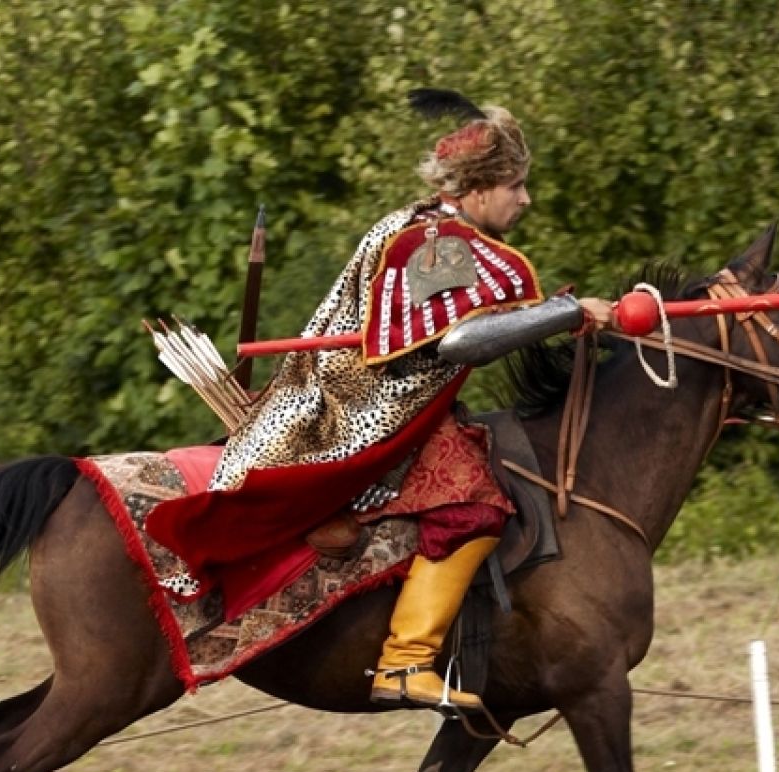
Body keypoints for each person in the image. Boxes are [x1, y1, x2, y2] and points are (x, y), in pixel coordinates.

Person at [147, 89, 613, 714]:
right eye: (515, 184)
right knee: (475, 505)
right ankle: (404, 663)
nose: (524, 198)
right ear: (477, 189)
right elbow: (459, 341)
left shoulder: (424, 226)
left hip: (386, 400)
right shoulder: (439, 243)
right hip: (354, 413)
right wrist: (563, 312)